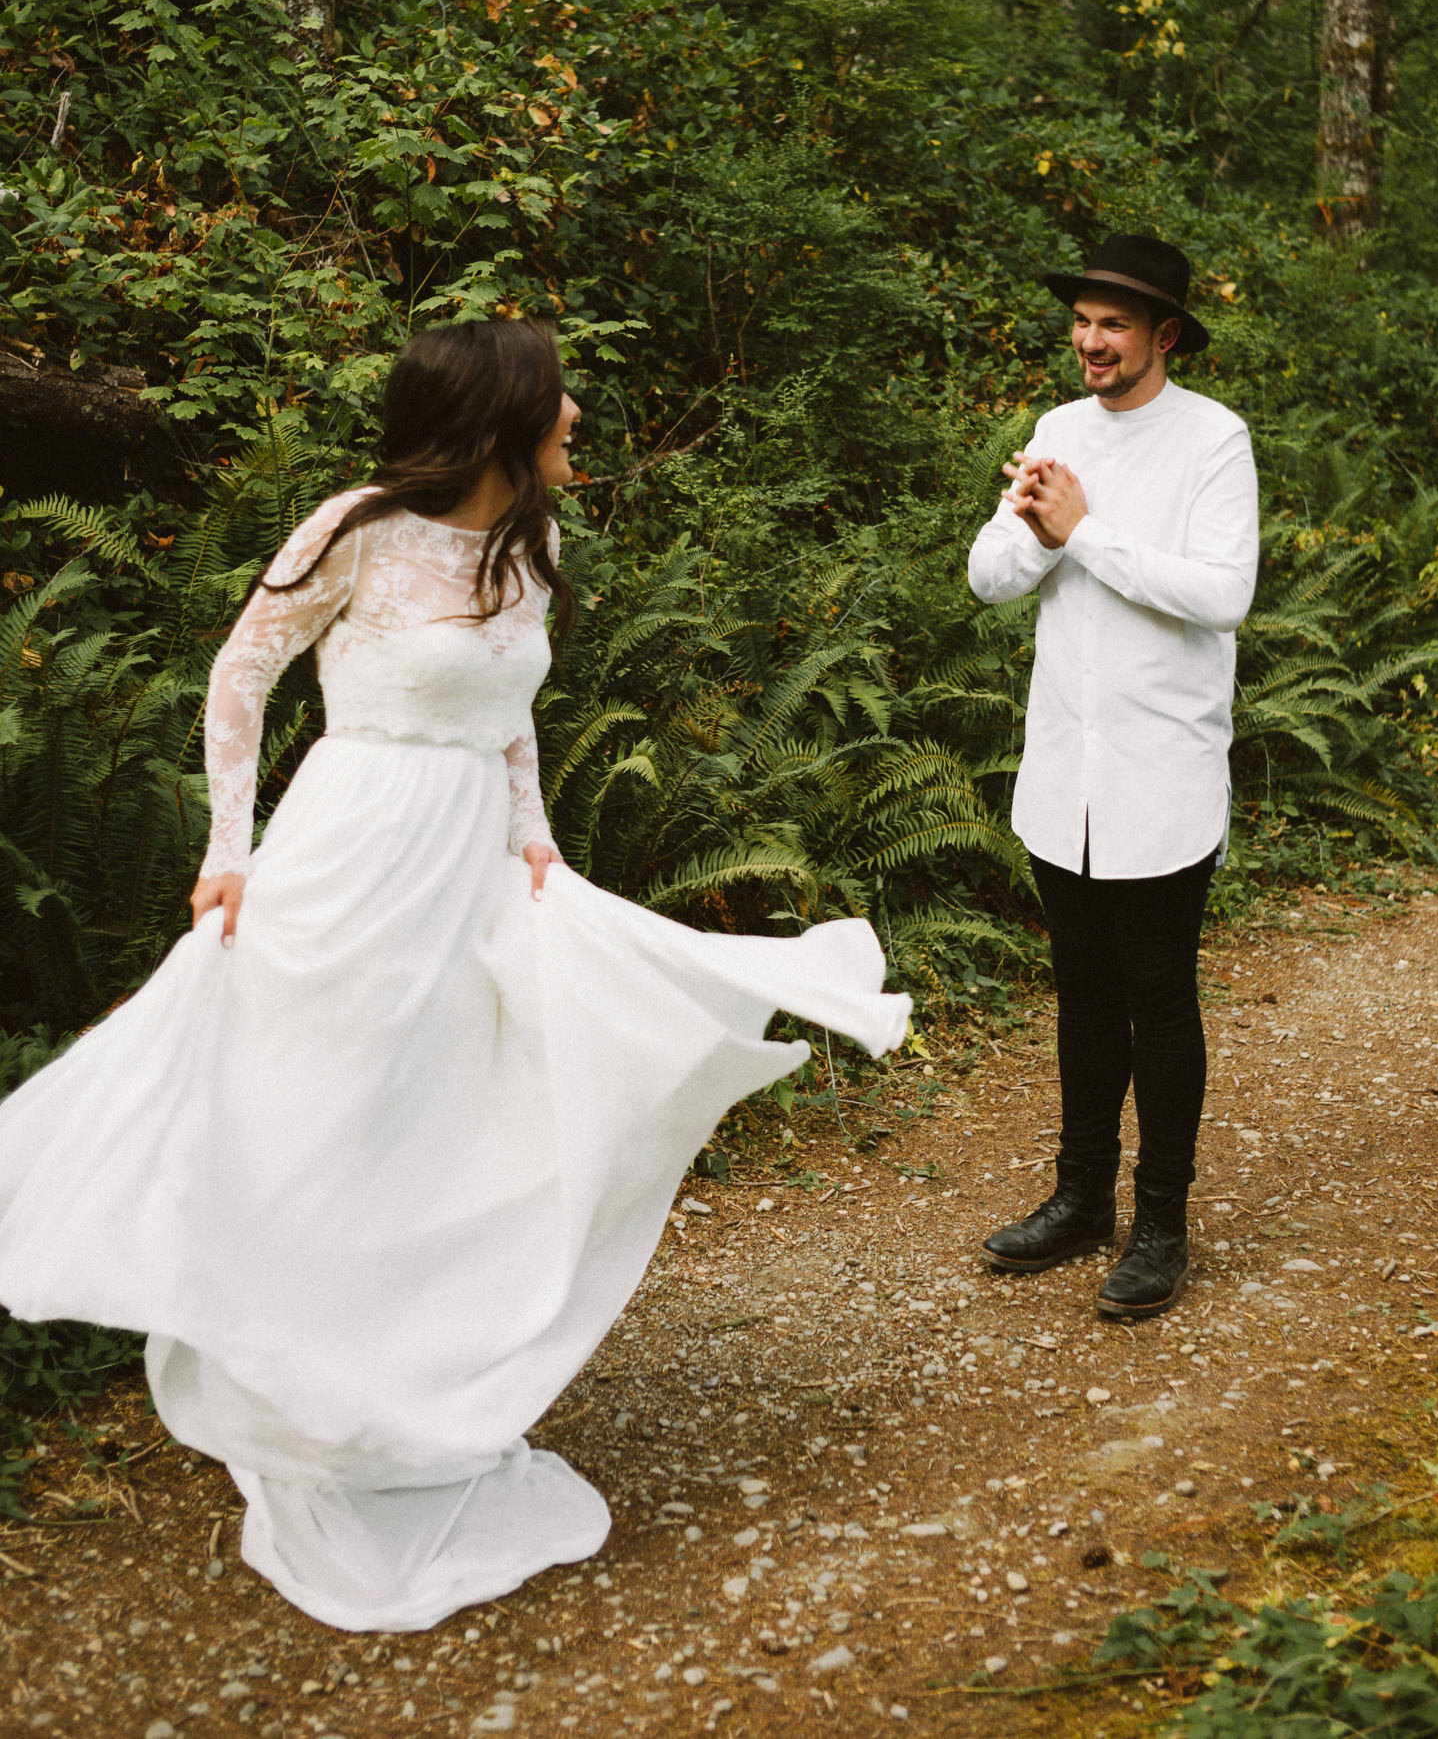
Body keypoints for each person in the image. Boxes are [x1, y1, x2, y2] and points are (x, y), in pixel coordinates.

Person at [0, 319, 908, 1632]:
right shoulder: (358, 528)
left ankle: (422, 1395)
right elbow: (243, 670)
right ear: (497, 419)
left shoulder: (530, 540)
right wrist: (225, 851)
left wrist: (535, 836)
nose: (577, 413)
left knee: (452, 1117)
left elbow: (511, 704)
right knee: (323, 1111)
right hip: (353, 847)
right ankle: (305, 1392)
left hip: (471, 863)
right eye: (556, 399)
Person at [967, 233, 1257, 1320]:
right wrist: (1041, 531)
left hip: (1161, 770)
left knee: (1158, 999)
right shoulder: (1054, 432)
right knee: (1081, 995)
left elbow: (1220, 594)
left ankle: (1160, 1227)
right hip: (1064, 774)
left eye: (1114, 324)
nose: (1090, 341)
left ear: (1162, 335)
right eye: (1082, 320)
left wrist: (1081, 532)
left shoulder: (1213, 441)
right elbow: (990, 577)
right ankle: (1079, 1198)